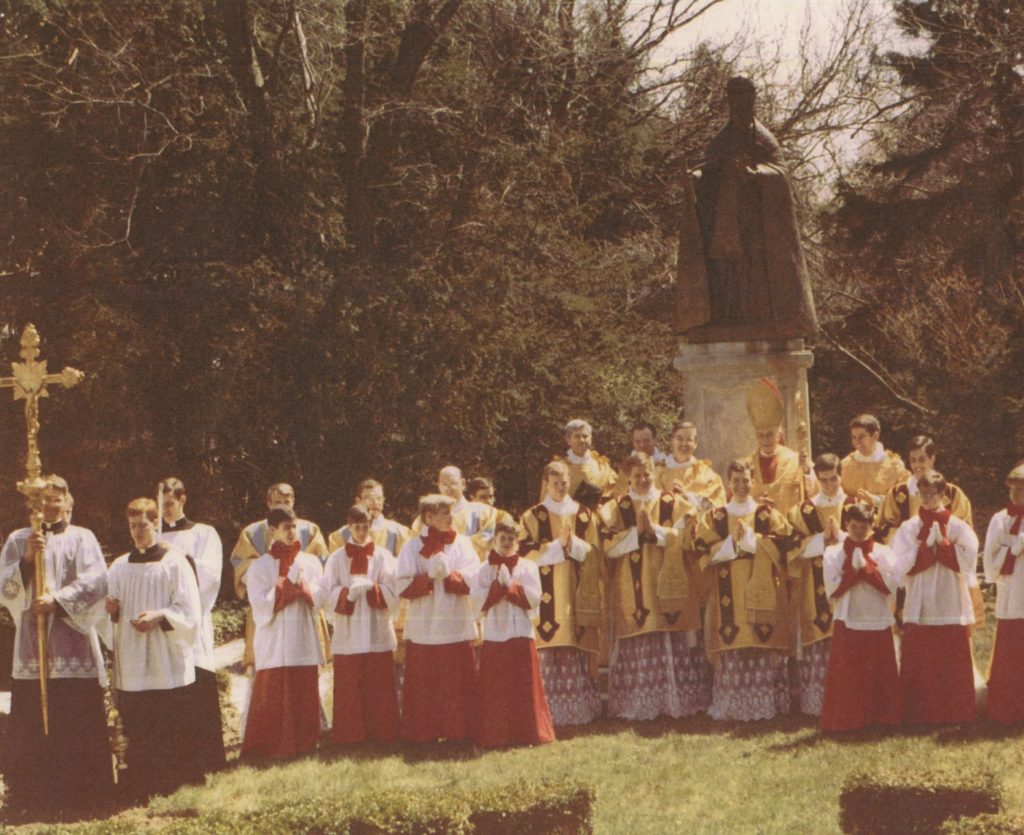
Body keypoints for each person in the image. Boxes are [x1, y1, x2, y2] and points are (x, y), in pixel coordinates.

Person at [0, 475, 112, 816]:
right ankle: (33, 798)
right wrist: (26, 560)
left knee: (75, 720)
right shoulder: (18, 539)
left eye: (55, 499)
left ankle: (83, 797)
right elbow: (4, 587)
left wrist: (58, 600)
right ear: (33, 503)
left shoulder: (82, 537)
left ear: (67, 502)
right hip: (32, 647)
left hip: (71, 642)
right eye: (43, 499)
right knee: (33, 722)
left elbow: (97, 581)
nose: (49, 505)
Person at [686, 74, 817, 340]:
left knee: (757, 269)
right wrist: (695, 177)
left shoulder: (764, 139)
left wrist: (755, 174)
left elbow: (781, 173)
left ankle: (761, 318)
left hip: (760, 221)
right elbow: (709, 169)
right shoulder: (721, 141)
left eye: (745, 96)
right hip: (728, 218)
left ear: (753, 98)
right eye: (734, 97)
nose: (740, 103)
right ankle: (728, 317)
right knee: (728, 267)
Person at [107, 498, 203, 800]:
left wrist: (160, 616)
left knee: (167, 719)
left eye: (143, 525)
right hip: (133, 654)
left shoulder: (175, 563)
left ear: (156, 524)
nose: (137, 532)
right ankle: (141, 782)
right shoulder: (119, 566)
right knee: (139, 720)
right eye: (132, 526)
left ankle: (173, 781)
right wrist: (111, 609)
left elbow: (189, 610)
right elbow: (110, 610)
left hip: (165, 654)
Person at [600, 452, 707, 720]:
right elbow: (607, 546)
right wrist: (636, 533)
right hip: (631, 582)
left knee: (668, 630)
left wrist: (655, 531)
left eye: (647, 474)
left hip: (667, 576)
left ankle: (675, 701)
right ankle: (638, 702)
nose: (642, 480)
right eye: (636, 475)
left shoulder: (672, 502)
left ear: (654, 473)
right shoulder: (616, 507)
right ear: (628, 477)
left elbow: (687, 537)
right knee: (640, 629)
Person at [696, 460, 793, 721]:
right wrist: (731, 542)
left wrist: (751, 540)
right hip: (727, 591)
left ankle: (763, 703)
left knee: (760, 638)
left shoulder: (766, 515)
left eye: (745, 480)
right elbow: (702, 550)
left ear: (753, 482)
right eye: (736, 481)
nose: (741, 486)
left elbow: (785, 544)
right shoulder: (715, 516)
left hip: (761, 586)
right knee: (734, 639)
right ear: (728, 483)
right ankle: (733, 705)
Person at [518, 461, 604, 725]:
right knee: (548, 644)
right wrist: (558, 546)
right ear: (545, 484)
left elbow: (595, 552)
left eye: (564, 483)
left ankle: (577, 708)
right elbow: (523, 552)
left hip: (575, 588)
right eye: (554, 483)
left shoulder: (583, 514)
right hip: (544, 592)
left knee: (574, 641)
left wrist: (573, 544)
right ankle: (547, 710)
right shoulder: (533, 516)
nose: (559, 488)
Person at [892, 471, 979, 725]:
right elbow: (899, 564)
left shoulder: (958, 526)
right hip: (920, 595)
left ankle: (954, 712)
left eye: (932, 494)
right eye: (922, 494)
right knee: (921, 657)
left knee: (949, 659)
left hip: (949, 595)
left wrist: (944, 547)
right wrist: (923, 549)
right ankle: (919, 713)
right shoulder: (910, 527)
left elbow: (969, 559)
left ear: (943, 494)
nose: (926, 498)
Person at [241, 506, 325, 759]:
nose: (291, 532)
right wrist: (285, 587)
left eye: (294, 526)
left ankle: (306, 742)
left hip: (301, 633)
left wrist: (305, 588)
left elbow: (322, 595)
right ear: (272, 530)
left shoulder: (309, 562)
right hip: (274, 637)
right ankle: (271, 745)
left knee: (304, 687)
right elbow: (259, 604)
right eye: (286, 528)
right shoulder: (260, 566)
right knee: (274, 691)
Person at [396, 495, 480, 742]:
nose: (451, 517)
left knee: (456, 679)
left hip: (454, 619)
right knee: (426, 681)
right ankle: (424, 732)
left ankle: (460, 731)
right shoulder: (412, 547)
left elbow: (475, 577)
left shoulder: (462, 543)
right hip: (426, 622)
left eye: (451, 512)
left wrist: (451, 576)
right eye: (444, 513)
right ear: (428, 517)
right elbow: (401, 584)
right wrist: (428, 578)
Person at [157, 477, 226, 773]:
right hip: (163, 624)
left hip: (193, 620)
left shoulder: (203, 533)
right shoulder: (152, 537)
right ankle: (175, 761)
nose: (165, 510)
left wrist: (178, 556)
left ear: (183, 499)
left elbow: (211, 574)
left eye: (170, 503)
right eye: (161, 505)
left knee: (197, 683)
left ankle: (205, 761)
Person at [319, 504, 399, 745]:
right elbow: (326, 592)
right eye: (357, 528)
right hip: (349, 627)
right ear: (349, 527)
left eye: (365, 527)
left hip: (376, 626)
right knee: (350, 682)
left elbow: (394, 590)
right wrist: (347, 595)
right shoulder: (337, 558)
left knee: (379, 681)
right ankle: (350, 733)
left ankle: (383, 731)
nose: (362, 532)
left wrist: (374, 588)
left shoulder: (383, 556)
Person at [819, 504, 903, 732]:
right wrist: (853, 573)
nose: (858, 532)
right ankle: (848, 720)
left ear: (871, 526)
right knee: (849, 673)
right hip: (849, 618)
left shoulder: (884, 553)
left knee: (879, 670)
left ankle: (883, 719)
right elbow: (831, 590)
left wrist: (868, 570)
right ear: (846, 525)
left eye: (863, 527)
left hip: (876, 617)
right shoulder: (833, 553)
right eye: (854, 526)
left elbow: (893, 586)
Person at [472, 521, 555, 747]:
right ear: (494, 541)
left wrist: (511, 587)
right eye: (502, 538)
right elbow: (476, 600)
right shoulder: (483, 568)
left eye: (511, 539)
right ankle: (496, 733)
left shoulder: (528, 566)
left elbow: (535, 597)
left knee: (523, 684)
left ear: (517, 543)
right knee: (496, 685)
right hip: (495, 631)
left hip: (520, 631)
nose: (507, 543)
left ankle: (526, 732)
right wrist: (497, 587)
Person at [785, 453, 856, 716]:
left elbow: (873, 542)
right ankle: (820, 703)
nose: (829, 485)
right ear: (816, 478)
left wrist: (842, 537)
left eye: (833, 478)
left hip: (851, 585)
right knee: (820, 635)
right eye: (823, 480)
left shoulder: (854, 506)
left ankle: (850, 701)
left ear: (841, 475)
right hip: (813, 588)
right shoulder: (803, 511)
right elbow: (791, 548)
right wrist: (821, 541)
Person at [231, 482, 328, 669]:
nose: (282, 505)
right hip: (270, 602)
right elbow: (241, 563)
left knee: (304, 662)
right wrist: (269, 575)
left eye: (286, 501)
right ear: (269, 503)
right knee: (269, 662)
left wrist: (301, 577)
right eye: (277, 502)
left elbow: (321, 563)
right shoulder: (251, 532)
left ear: (293, 501)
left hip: (303, 605)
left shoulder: (310, 529)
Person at [982, 463, 1024, 723]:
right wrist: (1013, 549)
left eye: (1021, 489)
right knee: (1011, 652)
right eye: (1012, 489)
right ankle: (1007, 709)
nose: (1015, 494)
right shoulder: (1001, 519)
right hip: (1012, 593)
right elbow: (990, 558)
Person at [875, 436, 974, 544]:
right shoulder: (897, 494)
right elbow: (884, 527)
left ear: (932, 459)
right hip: (907, 551)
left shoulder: (952, 493)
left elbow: (964, 531)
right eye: (913, 460)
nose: (917, 465)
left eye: (922, 460)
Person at [411, 466, 497, 558]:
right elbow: (415, 547)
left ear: (463, 484)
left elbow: (491, 542)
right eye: (444, 484)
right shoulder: (426, 518)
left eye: (453, 483)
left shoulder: (484, 512)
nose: (449, 488)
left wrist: (452, 543)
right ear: (439, 486)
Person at [327, 479, 411, 556]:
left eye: (379, 498)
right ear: (358, 501)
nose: (376, 503)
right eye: (370, 498)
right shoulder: (339, 537)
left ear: (383, 500)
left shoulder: (399, 533)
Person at [839, 414, 909, 507]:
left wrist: (876, 500)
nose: (856, 442)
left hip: (884, 516)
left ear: (875, 436)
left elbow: (903, 497)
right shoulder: (845, 465)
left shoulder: (895, 466)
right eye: (854, 437)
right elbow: (835, 494)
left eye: (861, 437)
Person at [656, 421, 727, 507]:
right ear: (672, 441)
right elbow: (652, 504)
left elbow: (717, 505)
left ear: (695, 444)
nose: (684, 444)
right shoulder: (658, 473)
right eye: (679, 439)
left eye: (689, 440)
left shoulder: (706, 474)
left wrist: (688, 497)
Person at [547, 418, 618, 501]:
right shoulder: (556, 468)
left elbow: (617, 494)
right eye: (577, 436)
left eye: (585, 436)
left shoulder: (602, 466)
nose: (582, 440)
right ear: (568, 440)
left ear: (590, 439)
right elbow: (546, 501)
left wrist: (625, 474)